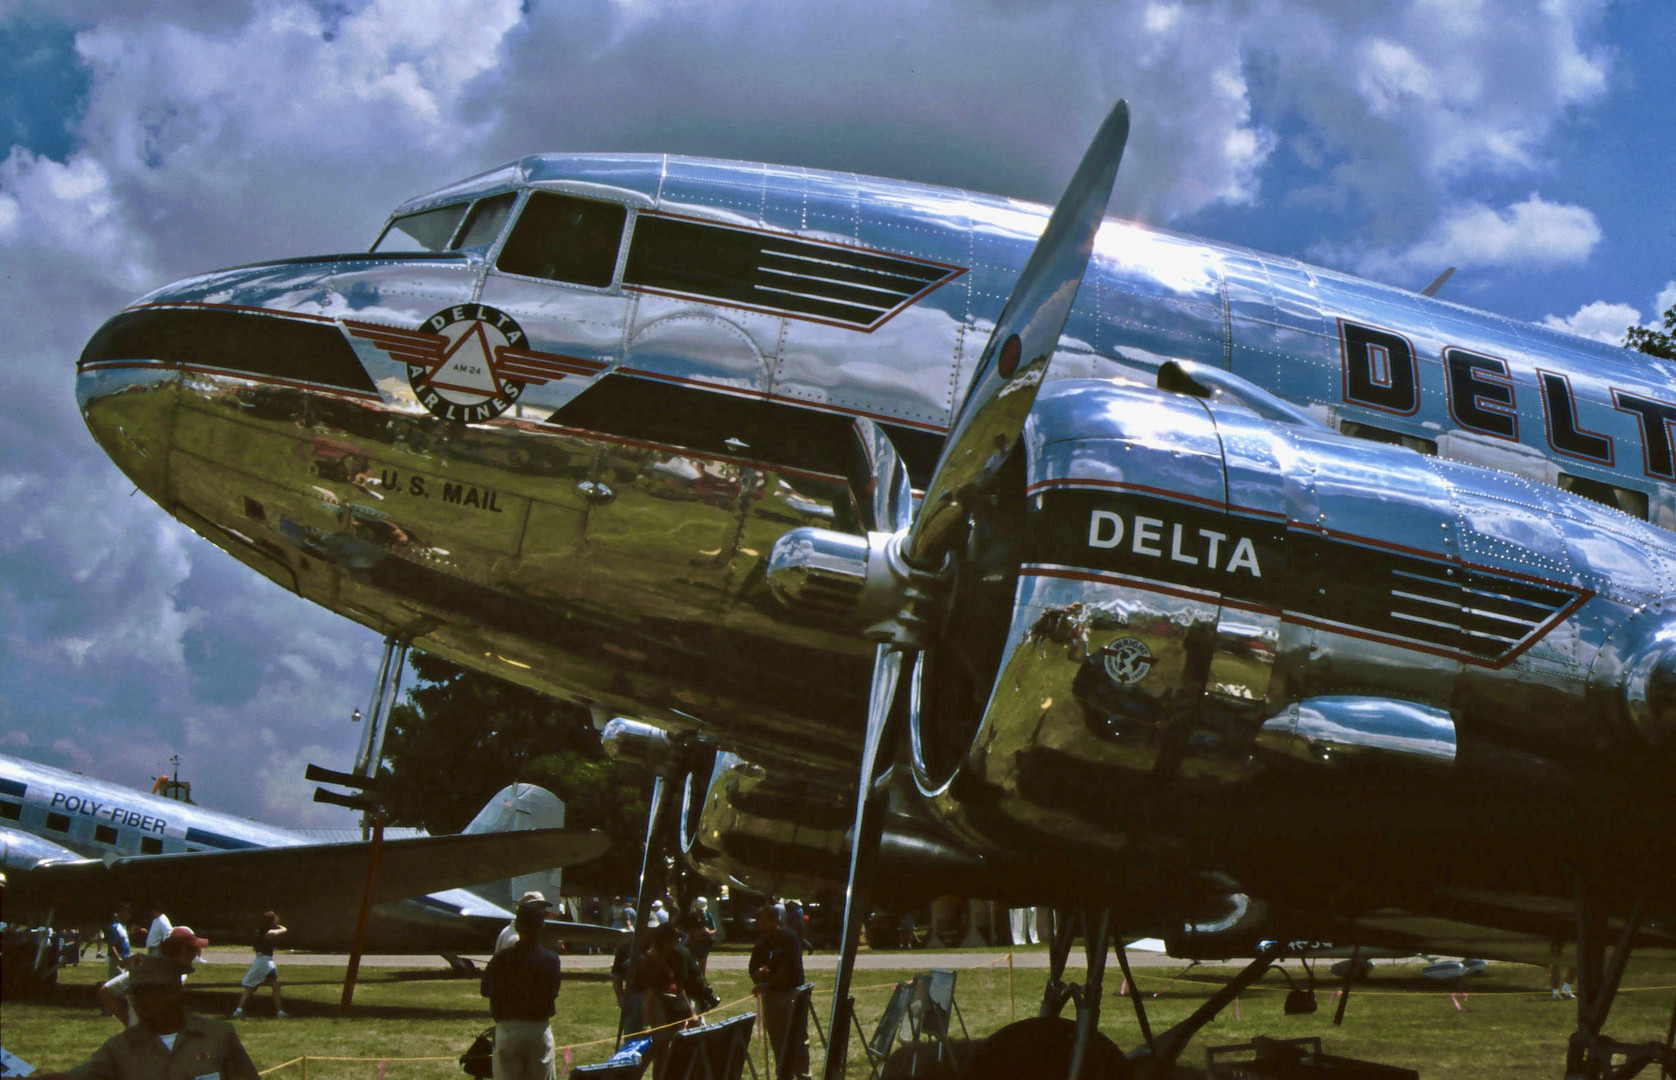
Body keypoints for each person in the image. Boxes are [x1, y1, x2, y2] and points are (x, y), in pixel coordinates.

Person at [42, 955, 258, 1080]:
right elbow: (74, 1078)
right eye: (136, 994)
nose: (142, 1002)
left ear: (175, 993)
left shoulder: (218, 1035)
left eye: (153, 993)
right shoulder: (120, 1048)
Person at [480, 899, 563, 1080]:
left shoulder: (500, 959)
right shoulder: (551, 960)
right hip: (538, 1029)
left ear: (516, 926)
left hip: (507, 1029)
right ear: (541, 927)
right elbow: (553, 993)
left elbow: (485, 990)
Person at [98, 926, 207, 1028]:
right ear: (183, 952)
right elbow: (105, 991)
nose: (197, 953)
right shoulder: (148, 974)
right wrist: (129, 1022)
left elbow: (106, 990)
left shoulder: (142, 971)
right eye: (194, 949)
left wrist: (130, 1023)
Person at [751, 900, 809, 1080]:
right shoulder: (762, 942)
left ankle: (803, 1076)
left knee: (797, 1040)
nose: (761, 927)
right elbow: (753, 967)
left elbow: (788, 970)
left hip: (792, 995)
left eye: (764, 923)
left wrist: (768, 983)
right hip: (772, 997)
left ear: (775, 920)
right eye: (759, 923)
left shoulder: (789, 937)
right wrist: (758, 973)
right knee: (777, 1041)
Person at [637, 922, 696, 1077]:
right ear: (664, 940)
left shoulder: (673, 956)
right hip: (658, 1007)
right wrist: (647, 1022)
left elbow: (680, 986)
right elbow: (648, 994)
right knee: (660, 1051)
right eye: (673, 939)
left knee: (676, 1050)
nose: (677, 942)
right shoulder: (650, 960)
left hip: (674, 1006)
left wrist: (691, 1012)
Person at [231, 911, 287, 1018]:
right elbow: (284, 930)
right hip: (265, 962)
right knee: (253, 987)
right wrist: (279, 926)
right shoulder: (269, 932)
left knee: (273, 985)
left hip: (264, 961)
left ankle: (279, 1011)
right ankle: (238, 1011)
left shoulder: (260, 931)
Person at [680, 897, 717, 976]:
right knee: (691, 963)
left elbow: (714, 929)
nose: (700, 912)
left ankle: (702, 978)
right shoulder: (690, 917)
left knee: (702, 965)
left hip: (703, 943)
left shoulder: (707, 916)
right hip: (693, 942)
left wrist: (709, 932)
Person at [104, 904, 132, 980]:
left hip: (125, 959)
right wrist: (118, 959)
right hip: (117, 960)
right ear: (121, 913)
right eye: (127, 913)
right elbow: (111, 946)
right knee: (115, 983)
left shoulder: (123, 926)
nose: (129, 915)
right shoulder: (115, 927)